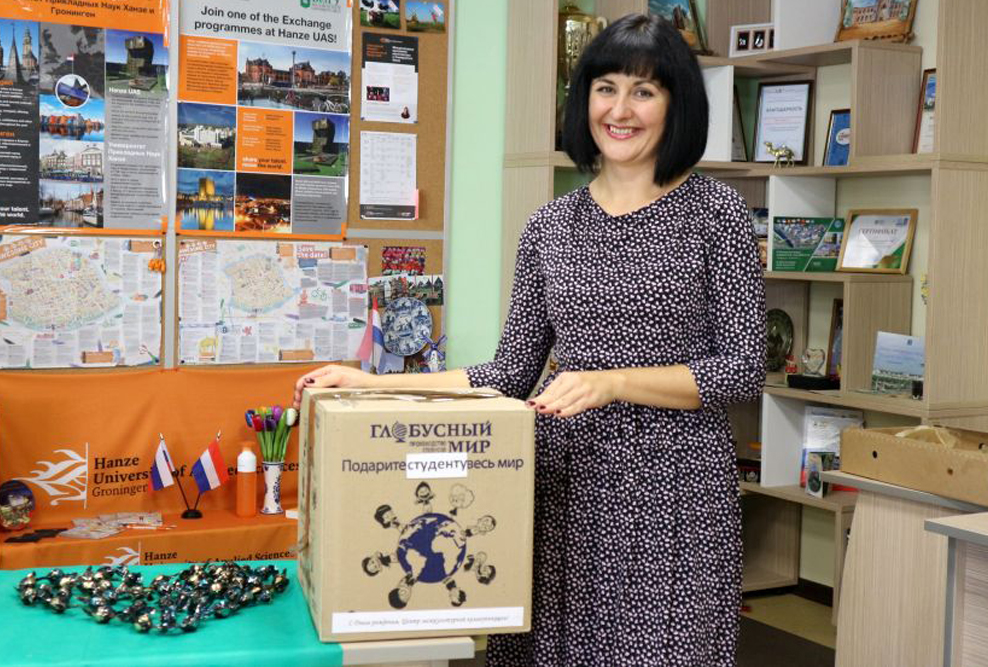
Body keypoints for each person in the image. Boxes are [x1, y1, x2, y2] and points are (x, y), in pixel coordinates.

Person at [293, 12, 764, 666]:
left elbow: (741, 370)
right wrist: (372, 383)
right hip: (560, 483)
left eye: (644, 91)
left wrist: (613, 383)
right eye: (606, 88)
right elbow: (510, 372)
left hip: (672, 492)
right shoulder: (550, 225)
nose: (620, 110)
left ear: (676, 104)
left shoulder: (717, 214)